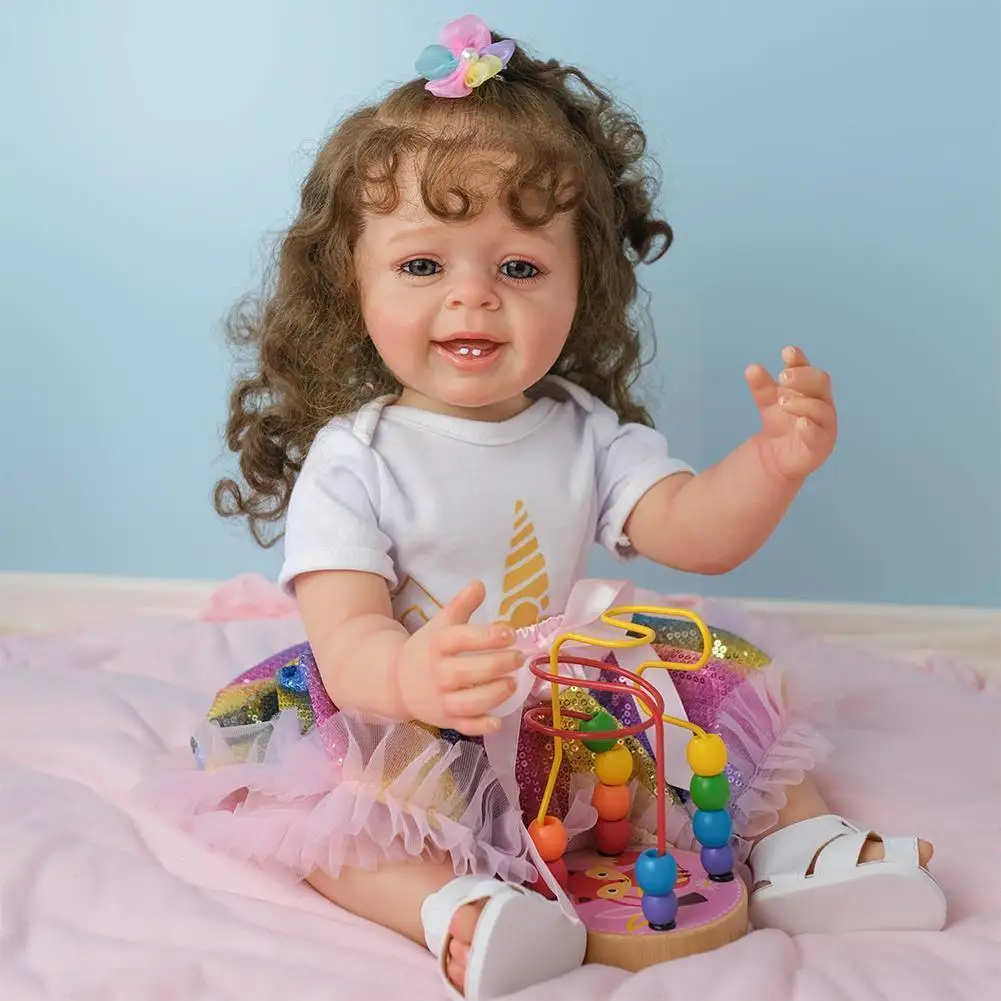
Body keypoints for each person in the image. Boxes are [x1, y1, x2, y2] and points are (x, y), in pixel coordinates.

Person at [145, 15, 946, 1000]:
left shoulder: (583, 430)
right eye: (423, 265)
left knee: (714, 683)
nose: (472, 298)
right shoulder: (356, 461)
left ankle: (804, 850)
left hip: (558, 704)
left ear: (580, 286)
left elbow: (694, 530)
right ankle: (456, 910)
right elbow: (346, 636)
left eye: (518, 267)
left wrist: (772, 464)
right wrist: (409, 674)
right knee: (328, 803)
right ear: (351, 284)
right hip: (409, 712)